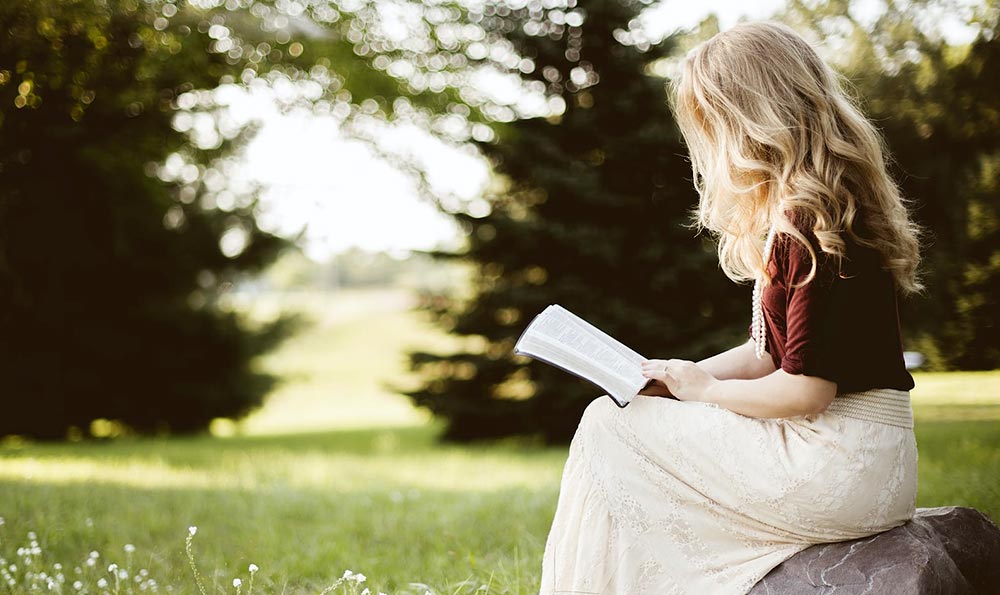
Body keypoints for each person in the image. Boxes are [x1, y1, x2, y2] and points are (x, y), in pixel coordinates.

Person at [538, 21, 923, 595]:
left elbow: (805, 390)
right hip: (868, 460)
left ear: (750, 118)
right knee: (622, 417)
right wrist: (670, 378)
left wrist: (705, 392)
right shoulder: (829, 206)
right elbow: (767, 354)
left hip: (836, 461)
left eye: (711, 122)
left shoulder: (807, 221)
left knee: (604, 428)